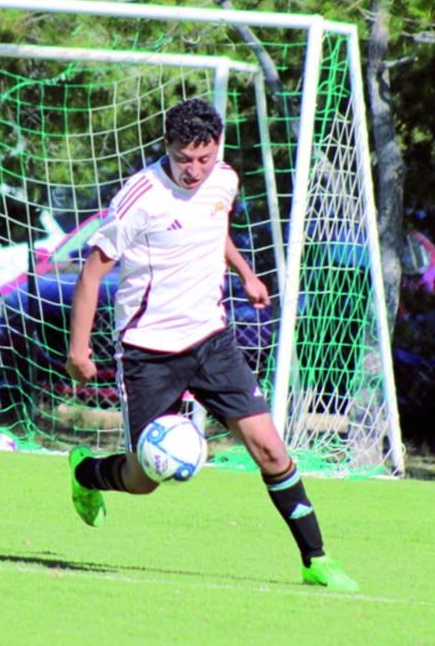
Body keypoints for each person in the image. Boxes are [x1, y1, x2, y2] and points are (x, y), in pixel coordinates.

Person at [65, 98, 359, 592]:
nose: (195, 170)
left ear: (217, 148)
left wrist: (245, 273)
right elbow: (93, 269)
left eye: (204, 158)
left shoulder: (224, 178)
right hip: (148, 350)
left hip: (211, 339)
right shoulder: (139, 199)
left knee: (270, 448)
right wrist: (78, 350)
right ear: (167, 147)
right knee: (143, 481)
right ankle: (87, 473)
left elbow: (214, 226)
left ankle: (316, 559)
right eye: (184, 159)